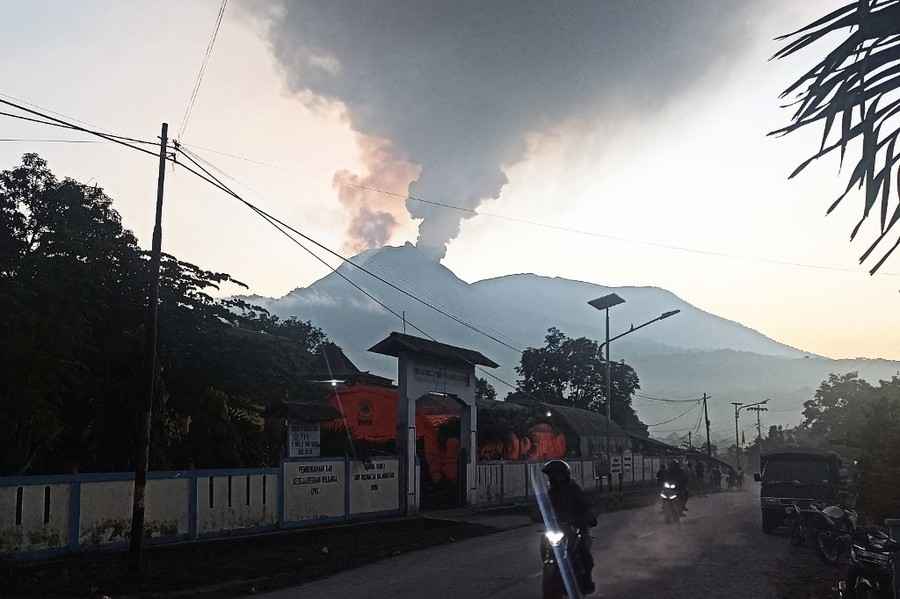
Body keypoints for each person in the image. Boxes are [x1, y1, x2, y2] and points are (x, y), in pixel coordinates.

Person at [542, 459, 596, 594]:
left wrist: (588, 517)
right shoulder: (550, 492)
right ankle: (550, 565)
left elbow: (586, 505)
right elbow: (542, 507)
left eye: (557, 475)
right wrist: (535, 514)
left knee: (585, 554)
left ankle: (586, 581)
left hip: (575, 527)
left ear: (565, 474)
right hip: (556, 528)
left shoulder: (574, 489)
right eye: (551, 475)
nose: (554, 478)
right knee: (544, 542)